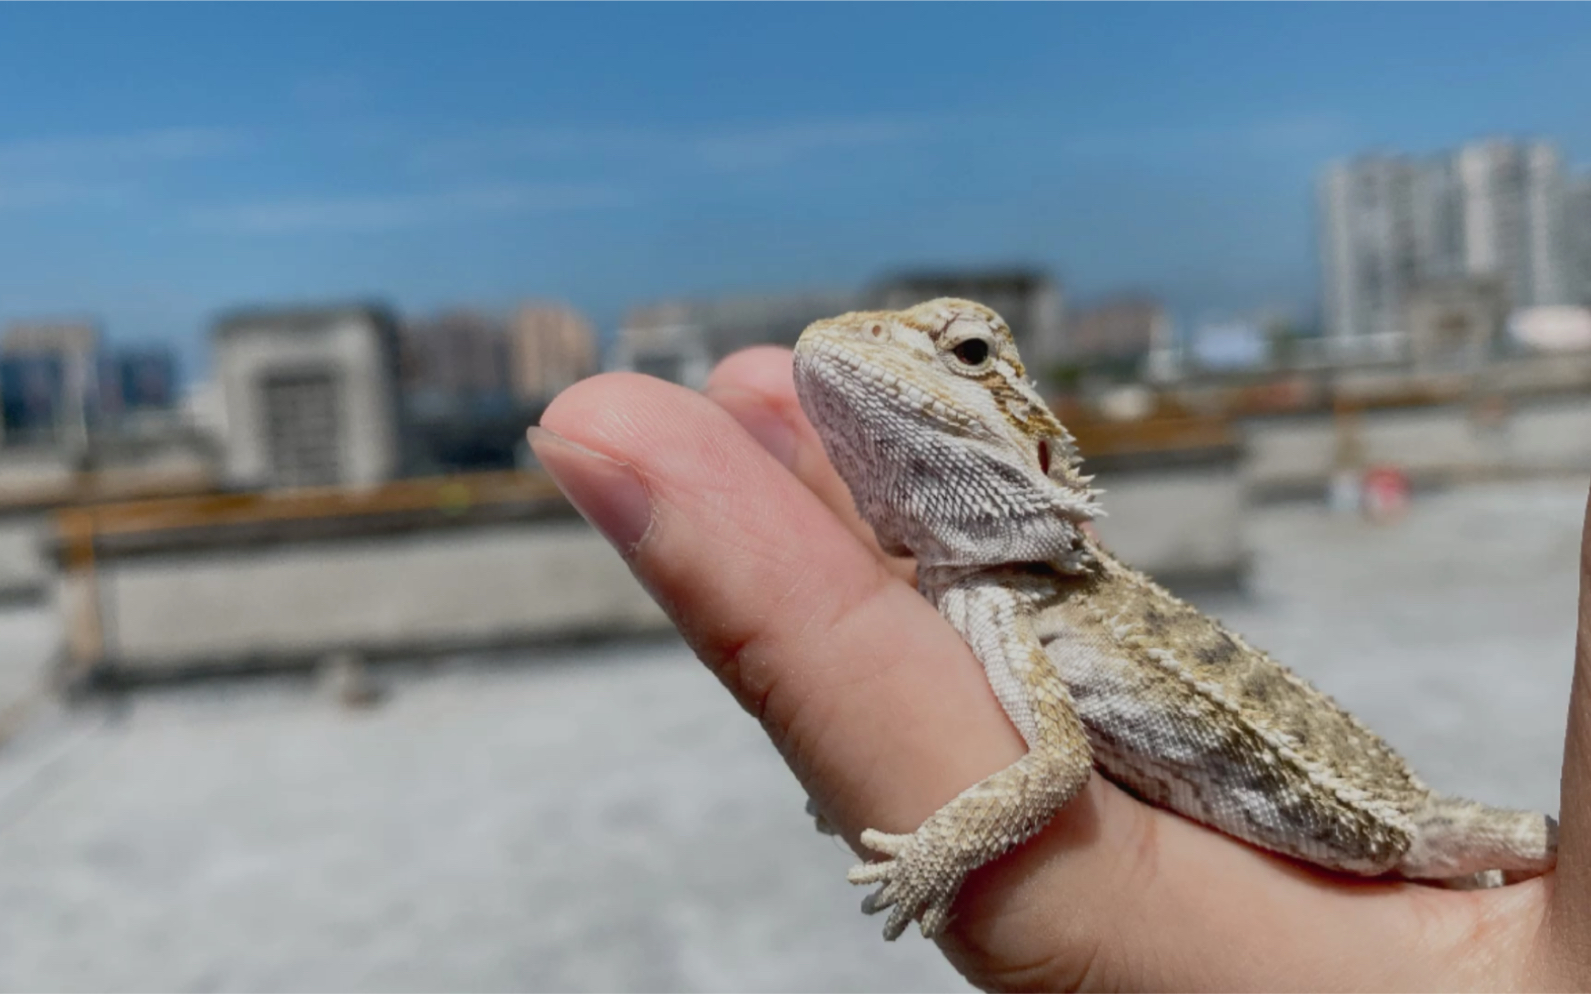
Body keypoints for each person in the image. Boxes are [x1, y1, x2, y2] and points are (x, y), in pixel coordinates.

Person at [530, 346, 1591, 991]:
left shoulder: (1034, 600)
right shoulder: (974, 595)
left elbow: (1053, 764)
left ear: (1035, 454)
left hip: (1394, 825)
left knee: (1531, 847)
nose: (921, 365)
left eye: (970, 356)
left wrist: (940, 847)